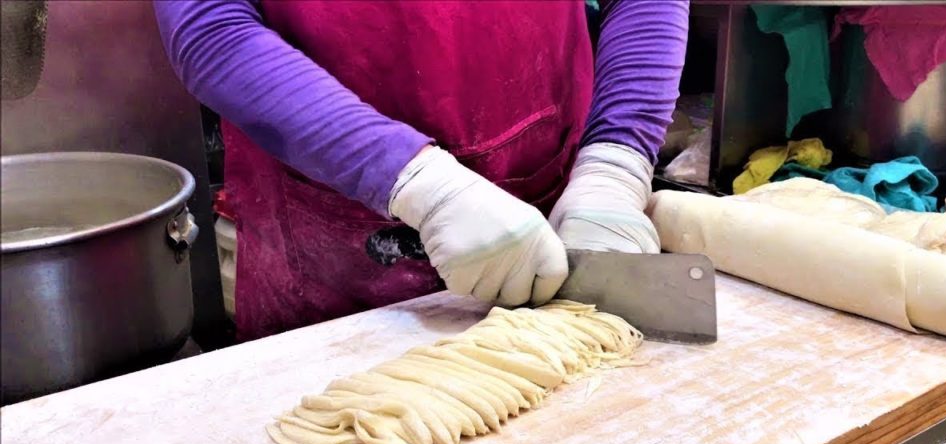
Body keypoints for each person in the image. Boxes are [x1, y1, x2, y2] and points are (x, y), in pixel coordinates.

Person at [155, 0, 689, 341]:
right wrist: (418, 185)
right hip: (328, 242)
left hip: (551, 204)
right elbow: (211, 29)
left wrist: (616, 161)